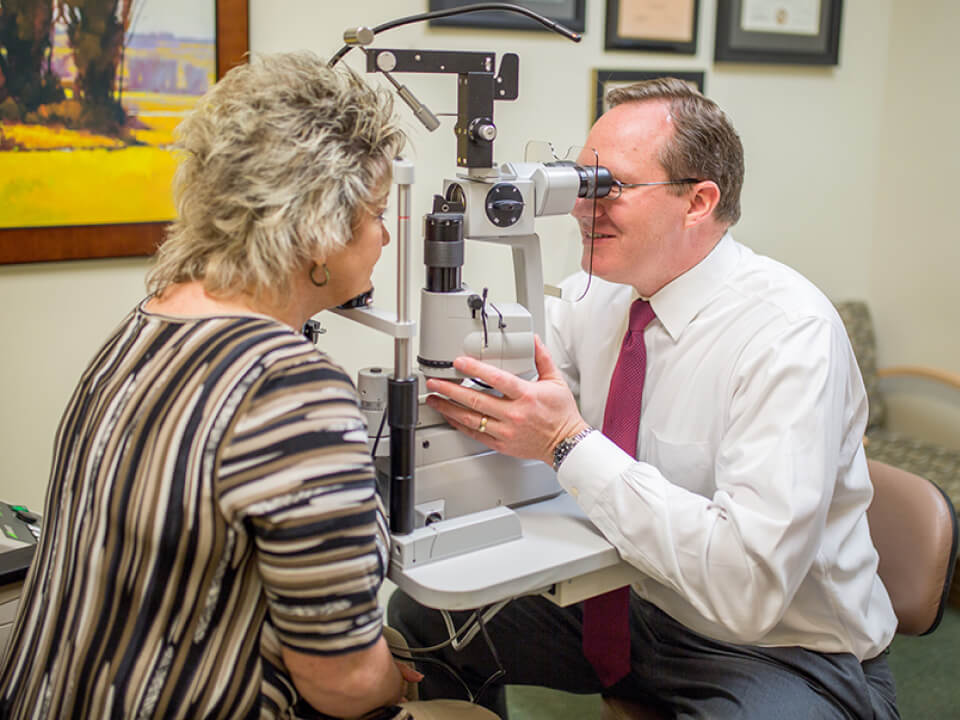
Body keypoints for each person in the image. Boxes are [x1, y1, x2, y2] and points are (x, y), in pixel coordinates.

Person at [389, 78, 901, 719]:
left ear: (698, 202)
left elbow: (748, 589)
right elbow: (529, 415)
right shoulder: (594, 295)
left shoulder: (789, 336)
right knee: (426, 614)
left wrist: (565, 443)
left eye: (610, 187)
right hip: (636, 603)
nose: (581, 206)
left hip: (778, 646)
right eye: (580, 182)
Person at [0, 51, 421, 719]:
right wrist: (394, 681)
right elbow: (338, 684)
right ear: (319, 228)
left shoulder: (148, 322)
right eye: (374, 212)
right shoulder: (291, 389)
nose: (384, 236)